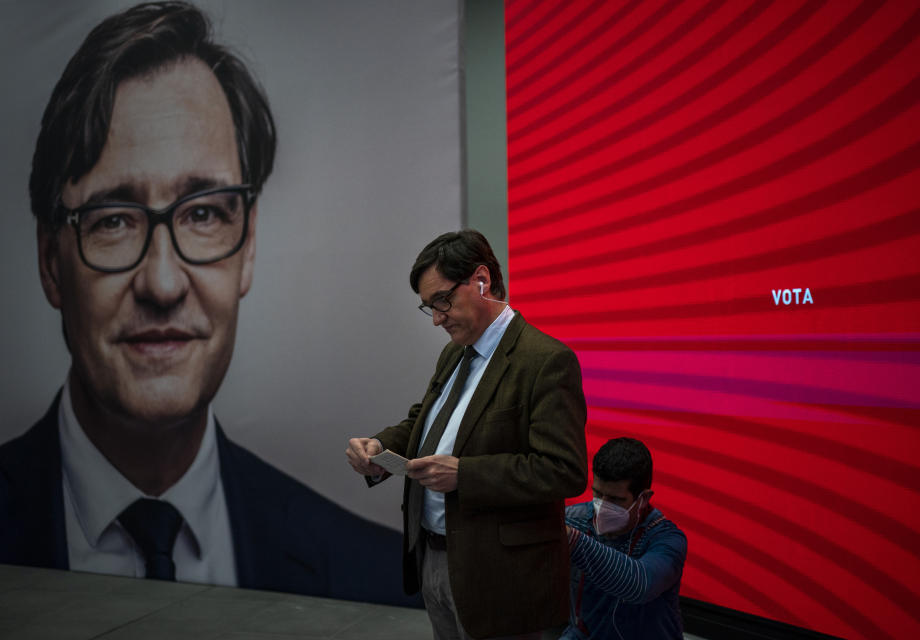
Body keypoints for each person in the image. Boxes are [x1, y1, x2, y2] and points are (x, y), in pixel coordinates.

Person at [0, 1, 415, 607]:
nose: (163, 284)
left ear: (247, 248)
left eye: (203, 214)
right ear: (49, 262)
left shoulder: (378, 583)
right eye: (112, 219)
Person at [346, 229, 589, 639]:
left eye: (443, 300)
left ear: (482, 280)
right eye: (429, 307)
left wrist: (465, 474)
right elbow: (424, 421)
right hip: (436, 560)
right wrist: (380, 447)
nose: (438, 318)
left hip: (504, 577)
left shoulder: (546, 360)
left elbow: (564, 470)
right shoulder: (454, 353)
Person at [562, 438, 687, 639]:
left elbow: (640, 585)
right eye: (597, 494)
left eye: (615, 500)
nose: (602, 507)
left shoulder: (667, 540)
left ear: (644, 498)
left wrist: (573, 541)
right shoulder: (573, 520)